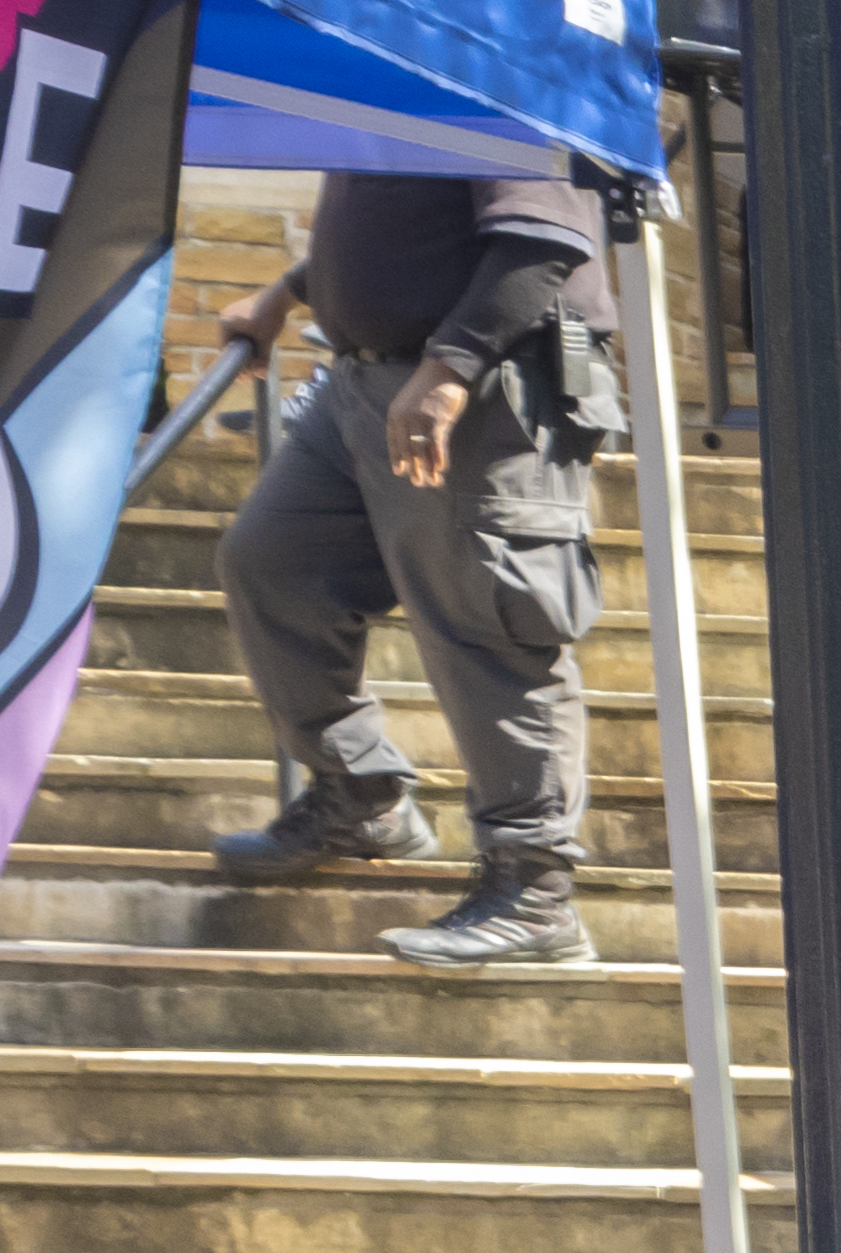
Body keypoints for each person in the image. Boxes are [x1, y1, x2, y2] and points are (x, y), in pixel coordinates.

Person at [200, 156, 623, 974]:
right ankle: (358, 796)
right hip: (361, 384)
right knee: (272, 564)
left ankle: (534, 895)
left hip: (487, 386)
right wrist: (287, 293)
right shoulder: (394, 72)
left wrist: (449, 369)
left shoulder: (501, 57)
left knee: (489, 622)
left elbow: (544, 240)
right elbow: (408, 225)